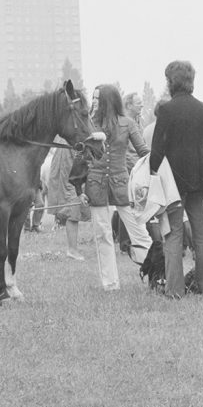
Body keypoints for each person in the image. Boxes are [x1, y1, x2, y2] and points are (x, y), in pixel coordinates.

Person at [149, 60, 203, 298]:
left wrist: (151, 172)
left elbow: (157, 149)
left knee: (174, 233)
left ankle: (175, 289)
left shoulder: (166, 111)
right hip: (199, 176)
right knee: (202, 231)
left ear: (170, 81)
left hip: (173, 181)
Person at [78, 84, 149, 290]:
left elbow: (143, 151)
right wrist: (78, 189)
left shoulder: (127, 123)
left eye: (97, 98)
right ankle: (110, 284)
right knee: (102, 235)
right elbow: (81, 158)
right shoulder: (89, 124)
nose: (93, 101)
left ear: (108, 100)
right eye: (93, 97)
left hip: (121, 184)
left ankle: (156, 272)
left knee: (138, 230)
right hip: (95, 183)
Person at [47, 141, 87, 262]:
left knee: (74, 205)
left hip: (72, 156)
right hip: (69, 165)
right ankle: (72, 250)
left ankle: (73, 248)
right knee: (72, 208)